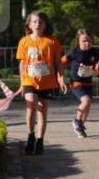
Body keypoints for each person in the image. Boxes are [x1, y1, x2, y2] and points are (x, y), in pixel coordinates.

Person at [16, 11, 68, 155]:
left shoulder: (51, 41)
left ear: (45, 25)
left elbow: (58, 62)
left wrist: (61, 77)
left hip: (46, 81)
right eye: (34, 22)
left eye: (40, 22)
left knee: (42, 111)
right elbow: (22, 64)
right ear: (29, 24)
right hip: (29, 80)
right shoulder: (24, 41)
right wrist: (21, 82)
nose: (37, 24)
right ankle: (30, 136)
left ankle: (40, 141)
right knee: (31, 105)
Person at [62, 28, 99, 138]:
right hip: (76, 82)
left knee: (88, 105)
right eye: (84, 41)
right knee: (86, 100)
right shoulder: (74, 52)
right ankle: (77, 120)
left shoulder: (95, 52)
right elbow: (61, 62)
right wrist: (61, 77)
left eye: (89, 41)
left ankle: (80, 127)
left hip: (88, 82)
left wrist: (98, 69)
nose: (87, 43)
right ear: (78, 41)